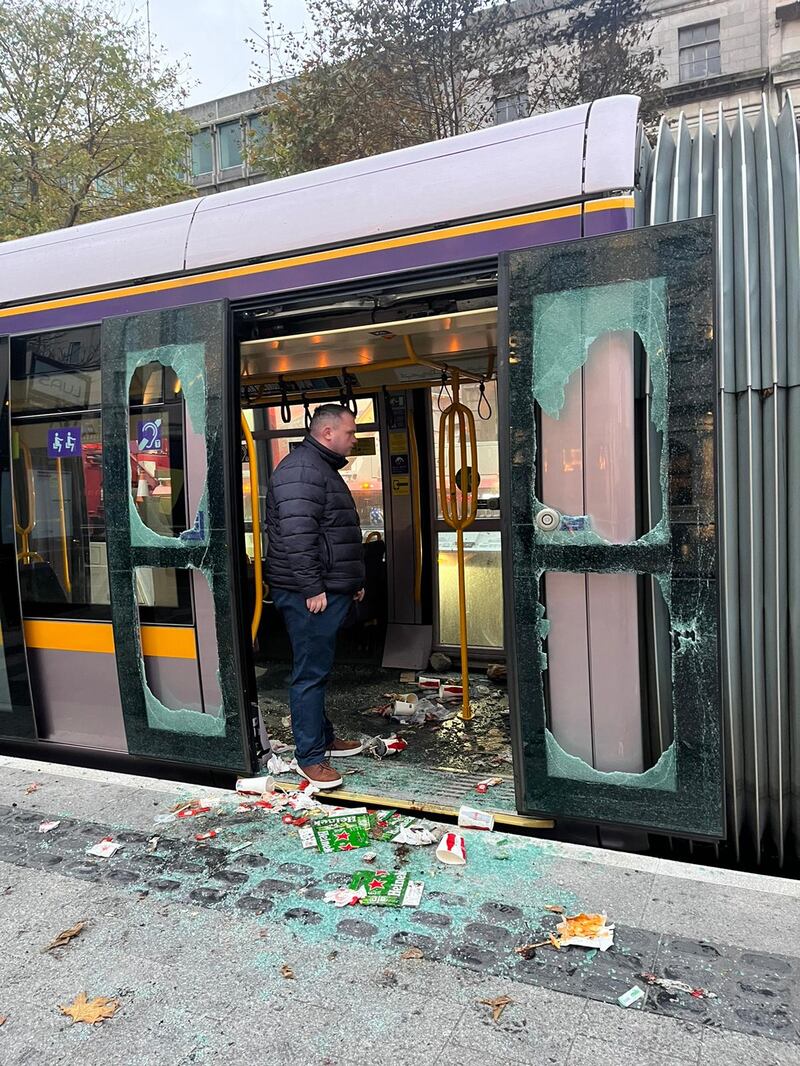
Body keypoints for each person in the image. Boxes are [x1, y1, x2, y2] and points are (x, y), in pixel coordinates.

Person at [265, 404, 366, 788]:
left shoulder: (316, 467)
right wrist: (313, 588)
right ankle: (309, 757)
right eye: (350, 433)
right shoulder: (304, 470)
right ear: (327, 433)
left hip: (325, 588)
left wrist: (349, 580)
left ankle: (323, 740)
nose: (353, 440)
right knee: (309, 673)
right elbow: (296, 536)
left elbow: (330, 532)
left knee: (317, 669)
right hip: (309, 594)